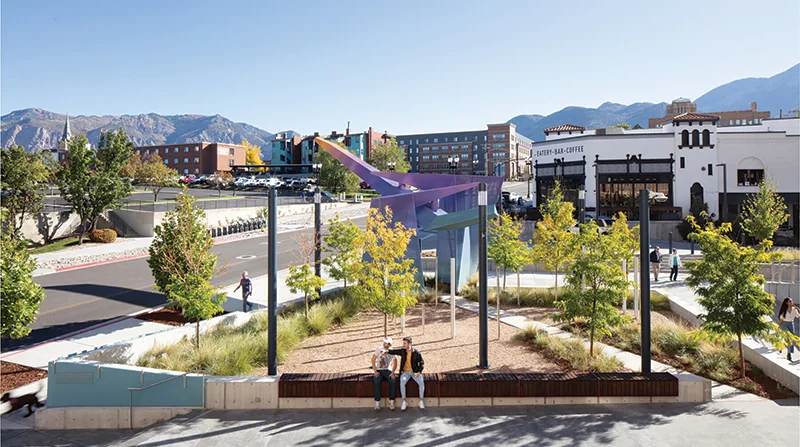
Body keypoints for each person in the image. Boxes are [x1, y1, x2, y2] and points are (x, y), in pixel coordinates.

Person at [388, 337, 425, 411]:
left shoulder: (416, 352)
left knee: (421, 382)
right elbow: (393, 351)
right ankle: (404, 401)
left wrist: (419, 372)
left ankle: (421, 401)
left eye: (405, 343)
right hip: (405, 372)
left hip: (414, 372)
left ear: (410, 344)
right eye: (403, 343)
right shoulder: (403, 351)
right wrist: (385, 350)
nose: (403, 345)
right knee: (402, 382)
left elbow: (422, 363)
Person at [372, 337, 397, 410]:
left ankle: (391, 401)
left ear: (389, 344)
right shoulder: (379, 349)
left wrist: (393, 372)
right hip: (379, 369)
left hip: (387, 370)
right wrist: (375, 371)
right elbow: (373, 359)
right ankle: (377, 402)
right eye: (384, 342)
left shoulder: (392, 351)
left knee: (393, 381)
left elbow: (395, 362)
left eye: (386, 343)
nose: (384, 343)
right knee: (376, 381)